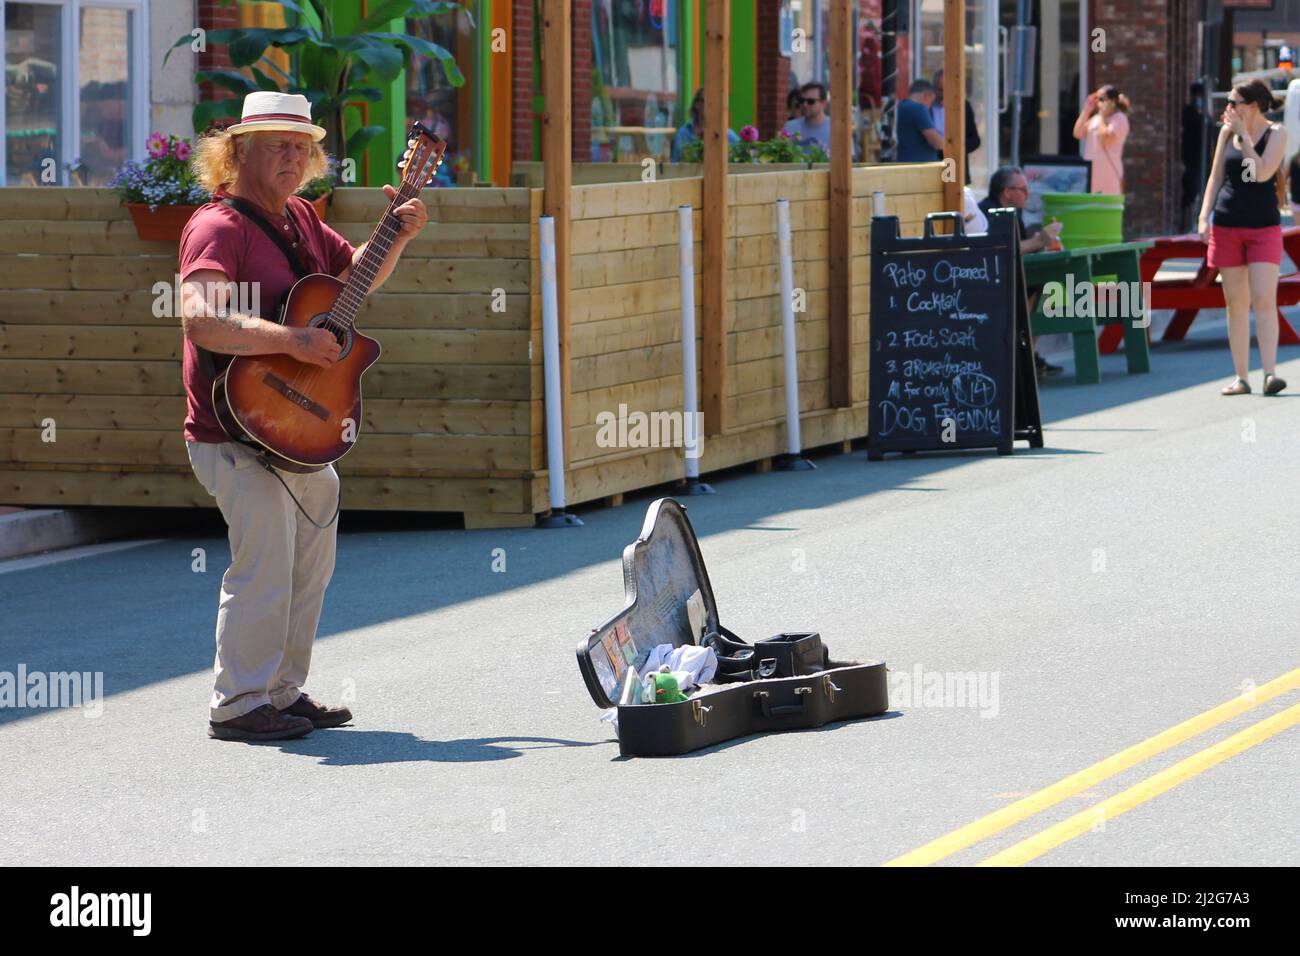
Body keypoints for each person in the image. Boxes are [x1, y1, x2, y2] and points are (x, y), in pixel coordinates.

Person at [180, 92, 429, 741]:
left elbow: (354, 282)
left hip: (295, 429)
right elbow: (200, 319)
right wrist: (292, 343)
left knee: (310, 553)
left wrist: (395, 233)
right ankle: (236, 703)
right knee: (264, 555)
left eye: (301, 147)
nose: (292, 158)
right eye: (277, 146)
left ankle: (281, 691)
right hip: (228, 431)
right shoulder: (217, 228)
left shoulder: (300, 220)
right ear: (240, 152)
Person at [1198, 79, 1288, 396]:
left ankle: (1270, 373)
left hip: (1263, 226)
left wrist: (1244, 137)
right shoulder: (1225, 133)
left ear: (1251, 106)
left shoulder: (1277, 134)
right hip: (1227, 223)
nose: (1228, 108)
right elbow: (1215, 176)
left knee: (1264, 299)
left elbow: (1261, 172)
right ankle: (1241, 377)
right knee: (1236, 304)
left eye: (1233, 102)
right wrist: (1203, 215)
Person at [979, 165, 1066, 378]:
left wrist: (1043, 244)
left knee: (1048, 287)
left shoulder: (1015, 215)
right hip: (989, 282)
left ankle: (1029, 354)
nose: (1028, 194)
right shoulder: (989, 212)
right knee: (1041, 289)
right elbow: (1002, 249)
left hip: (1010, 277)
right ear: (1007, 192)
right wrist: (1038, 241)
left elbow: (1021, 249)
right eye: (1023, 189)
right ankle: (1024, 353)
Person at [1072, 85, 1130, 195]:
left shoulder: (1120, 119)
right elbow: (1078, 133)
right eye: (1097, 98)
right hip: (1092, 176)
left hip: (1109, 177)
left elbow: (1105, 138)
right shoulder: (1096, 119)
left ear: (1112, 102)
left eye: (1102, 99)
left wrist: (1102, 116)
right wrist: (1086, 111)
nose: (1098, 102)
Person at [782, 81, 856, 159]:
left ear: (823, 103)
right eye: (802, 101)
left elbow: (849, 161)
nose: (805, 105)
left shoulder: (838, 129)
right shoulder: (790, 127)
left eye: (811, 101)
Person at [932, 69, 980, 185]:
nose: (943, 94)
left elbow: (974, 140)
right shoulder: (927, 106)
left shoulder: (963, 106)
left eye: (946, 90)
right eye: (939, 90)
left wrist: (956, 148)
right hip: (932, 164)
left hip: (955, 164)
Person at [672, 87, 740, 161]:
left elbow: (745, 160)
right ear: (697, 104)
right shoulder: (684, 133)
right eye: (709, 100)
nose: (713, 105)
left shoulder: (726, 133)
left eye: (715, 101)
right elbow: (675, 162)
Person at [894, 79, 944, 162]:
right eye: (931, 102)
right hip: (918, 167)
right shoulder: (919, 109)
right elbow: (936, 142)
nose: (930, 106)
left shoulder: (901, 106)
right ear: (926, 95)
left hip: (903, 162)